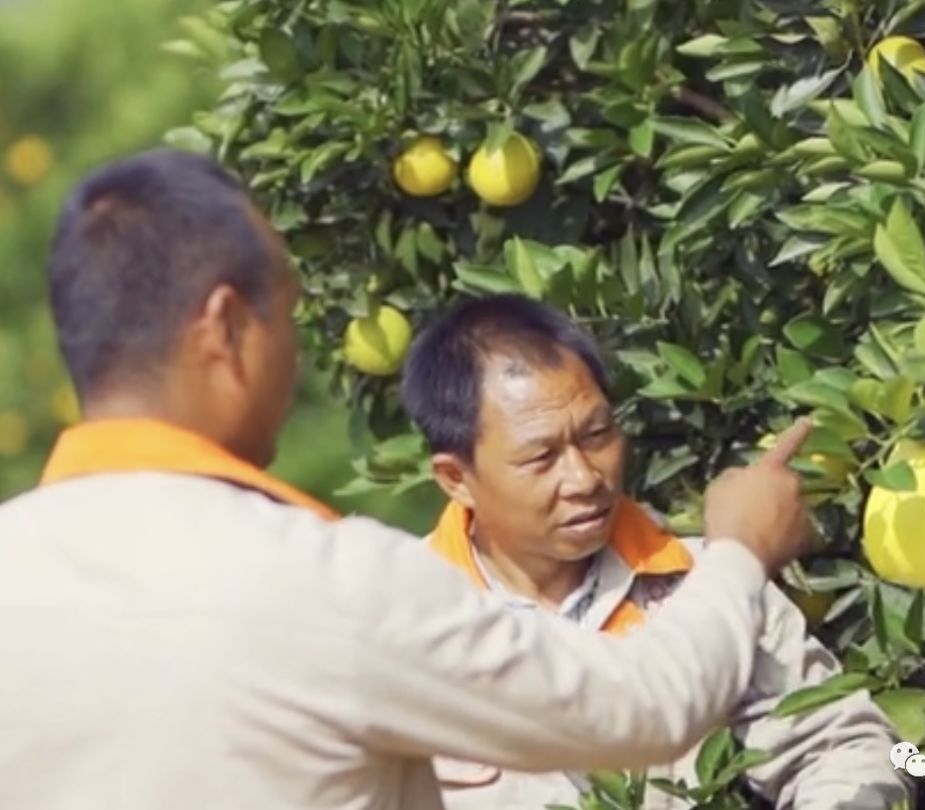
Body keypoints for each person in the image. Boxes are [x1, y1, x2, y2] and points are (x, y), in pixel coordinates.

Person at [0, 149, 816, 810]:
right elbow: (643, 708)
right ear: (224, 327)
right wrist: (743, 548)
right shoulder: (328, 581)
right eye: (286, 311)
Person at [401, 294, 913, 810]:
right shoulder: (396, 626)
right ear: (455, 478)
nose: (583, 478)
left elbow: (838, 745)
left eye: (597, 434)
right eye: (540, 457)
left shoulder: (700, 582)